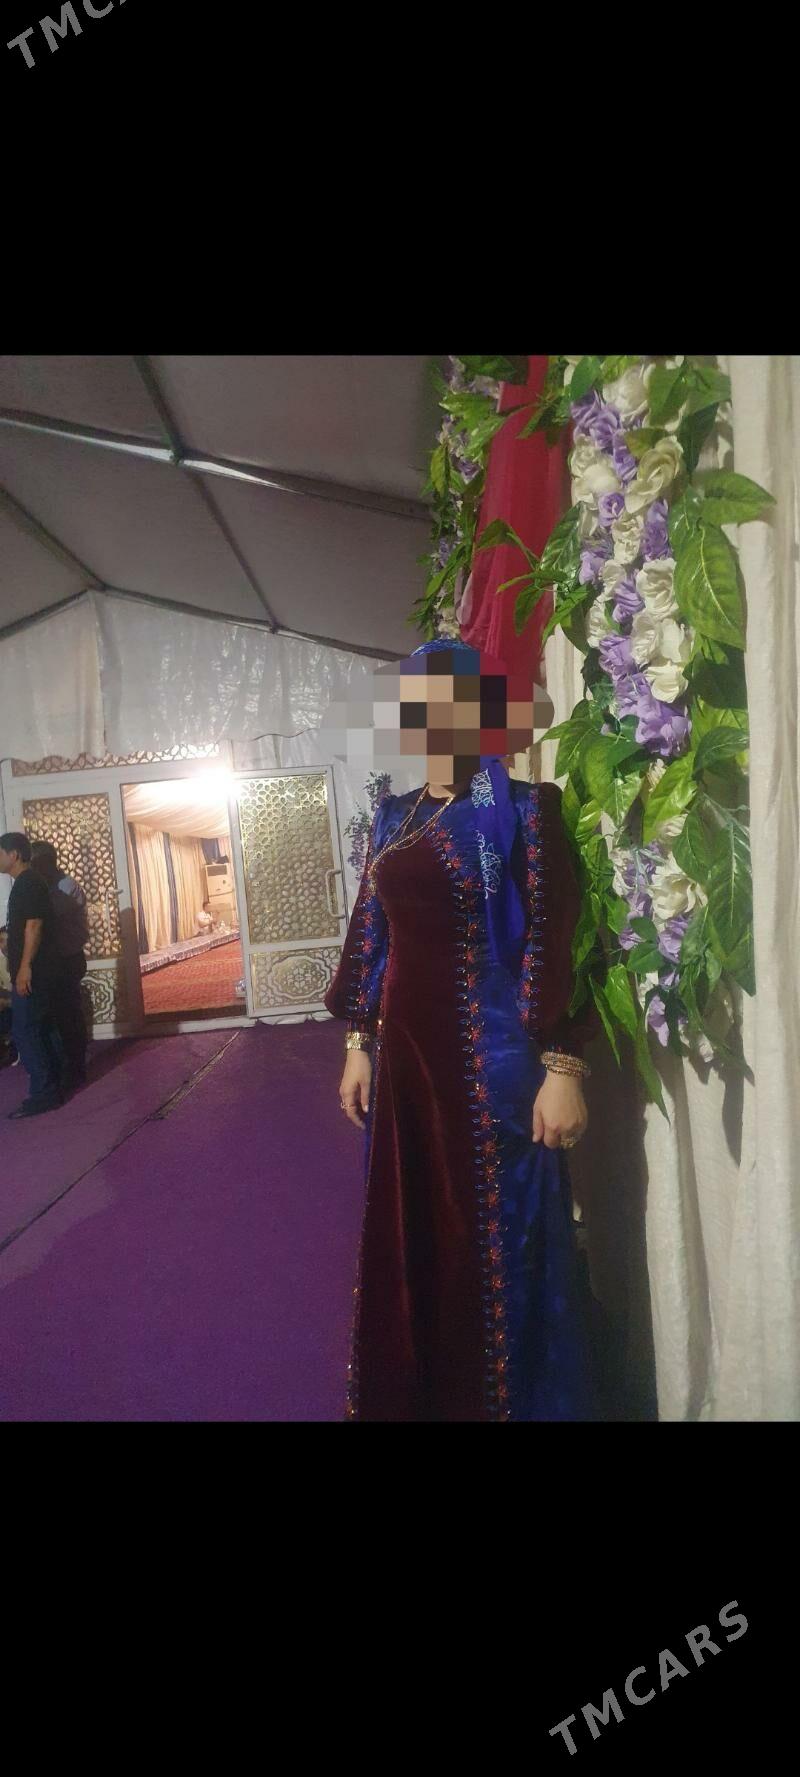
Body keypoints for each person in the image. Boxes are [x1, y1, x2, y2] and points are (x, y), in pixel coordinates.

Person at [324, 640, 597, 1423]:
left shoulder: (522, 810)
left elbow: (557, 937)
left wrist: (563, 1064)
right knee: (417, 1243)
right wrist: (358, 1043)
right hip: (408, 1071)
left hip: (494, 1070)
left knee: (503, 1251)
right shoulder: (395, 814)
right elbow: (372, 934)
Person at [0, 832, 62, 1118]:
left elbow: (34, 926)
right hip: (33, 969)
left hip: (33, 971)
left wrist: (24, 967)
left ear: (13, 854)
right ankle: (54, 1085)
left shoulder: (28, 883)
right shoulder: (26, 883)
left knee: (25, 1030)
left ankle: (43, 1093)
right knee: (40, 1027)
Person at [30, 841, 90, 1089]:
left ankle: (75, 1068)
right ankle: (66, 1065)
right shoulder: (46, 886)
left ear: (47, 861)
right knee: (59, 1015)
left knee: (68, 1015)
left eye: (35, 862)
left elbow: (44, 917)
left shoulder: (65, 886)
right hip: (54, 961)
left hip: (68, 959)